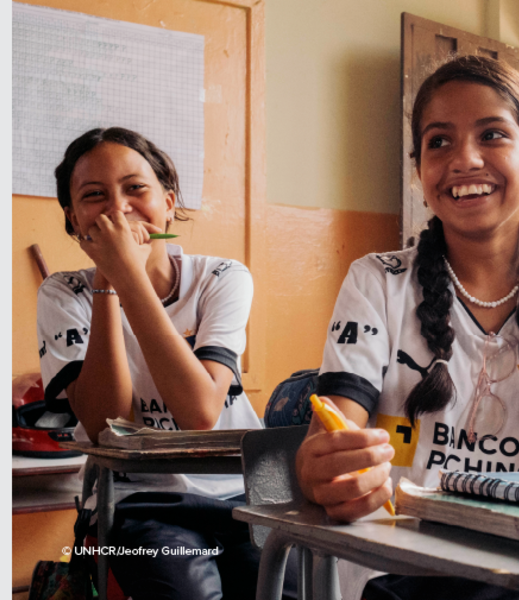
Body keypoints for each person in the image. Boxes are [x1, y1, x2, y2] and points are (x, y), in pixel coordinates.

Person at [37, 127, 294, 599]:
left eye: (136, 188)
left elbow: (199, 412)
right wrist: (110, 282)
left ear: (169, 203)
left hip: (251, 487)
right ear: (74, 221)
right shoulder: (63, 293)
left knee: (289, 590)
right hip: (137, 502)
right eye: (94, 196)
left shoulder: (222, 277)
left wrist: (127, 272)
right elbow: (104, 423)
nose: (117, 208)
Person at [296, 55, 519, 600]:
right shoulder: (379, 281)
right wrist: (321, 470)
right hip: (394, 569)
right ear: (419, 174)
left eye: (492, 134)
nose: (465, 159)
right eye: (439, 142)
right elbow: (331, 434)